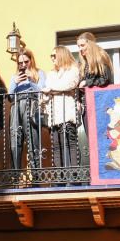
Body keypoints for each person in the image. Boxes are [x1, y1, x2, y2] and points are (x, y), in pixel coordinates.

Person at [40, 46, 82, 177]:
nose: (52, 58)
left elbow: (69, 84)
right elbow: (48, 90)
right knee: (57, 147)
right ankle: (60, 178)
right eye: (51, 56)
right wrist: (47, 93)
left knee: (70, 144)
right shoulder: (51, 73)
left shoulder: (73, 69)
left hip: (67, 112)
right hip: (54, 115)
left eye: (54, 55)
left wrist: (51, 89)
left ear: (62, 55)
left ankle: (74, 177)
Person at [8, 50, 45, 171]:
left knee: (33, 141)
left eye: (26, 62)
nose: (23, 65)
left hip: (32, 106)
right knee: (15, 141)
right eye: (20, 63)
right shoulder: (14, 77)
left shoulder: (40, 73)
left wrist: (32, 81)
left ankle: (36, 177)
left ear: (31, 60)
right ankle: (16, 177)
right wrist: (15, 83)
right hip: (16, 108)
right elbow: (10, 97)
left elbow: (42, 92)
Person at [75, 32, 113, 133]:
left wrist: (87, 82)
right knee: (90, 137)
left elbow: (106, 79)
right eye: (78, 46)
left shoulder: (101, 57)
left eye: (82, 45)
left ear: (90, 44)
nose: (80, 49)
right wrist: (77, 99)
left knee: (102, 136)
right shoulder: (82, 63)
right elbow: (79, 83)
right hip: (86, 105)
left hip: (100, 104)